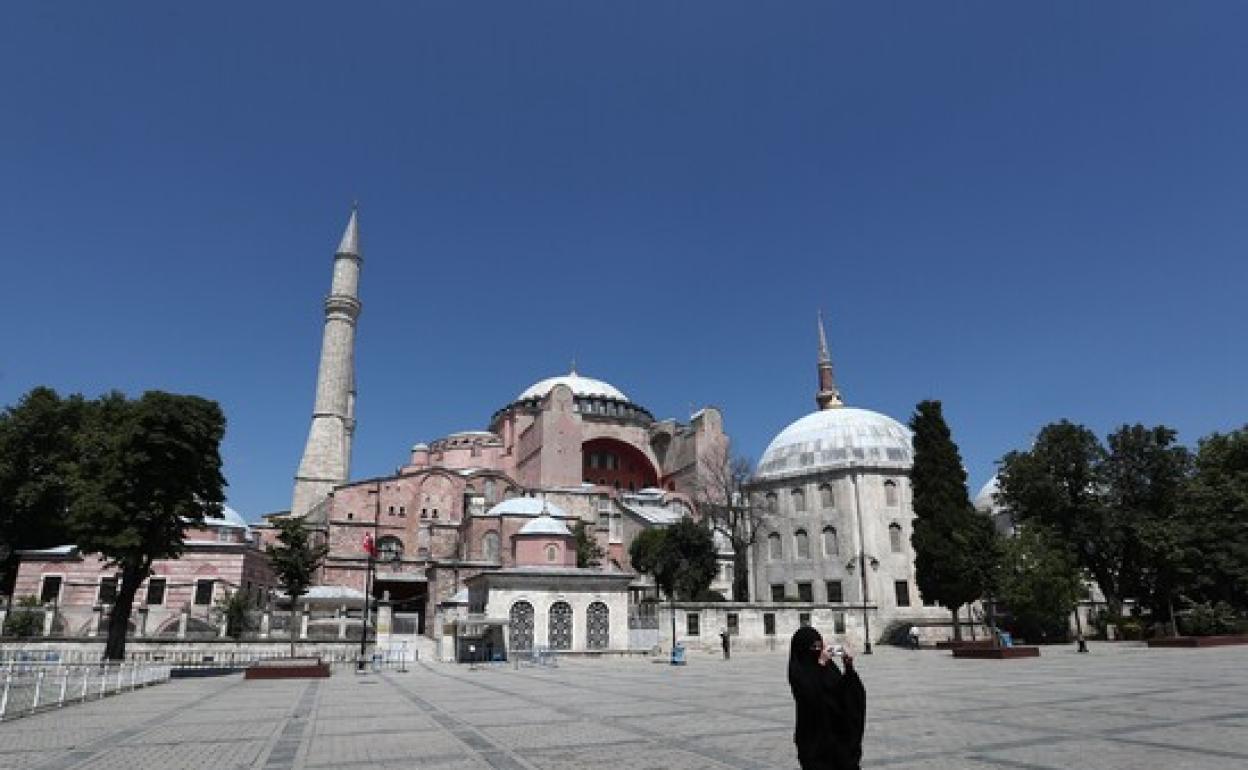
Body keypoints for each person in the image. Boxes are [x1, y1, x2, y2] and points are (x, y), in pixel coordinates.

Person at [788, 626, 866, 770]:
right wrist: (821, 665)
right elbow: (810, 697)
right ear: (803, 648)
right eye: (814, 646)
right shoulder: (799, 671)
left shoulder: (829, 667)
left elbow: (846, 692)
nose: (818, 650)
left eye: (820, 645)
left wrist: (848, 667)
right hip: (815, 742)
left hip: (839, 739)